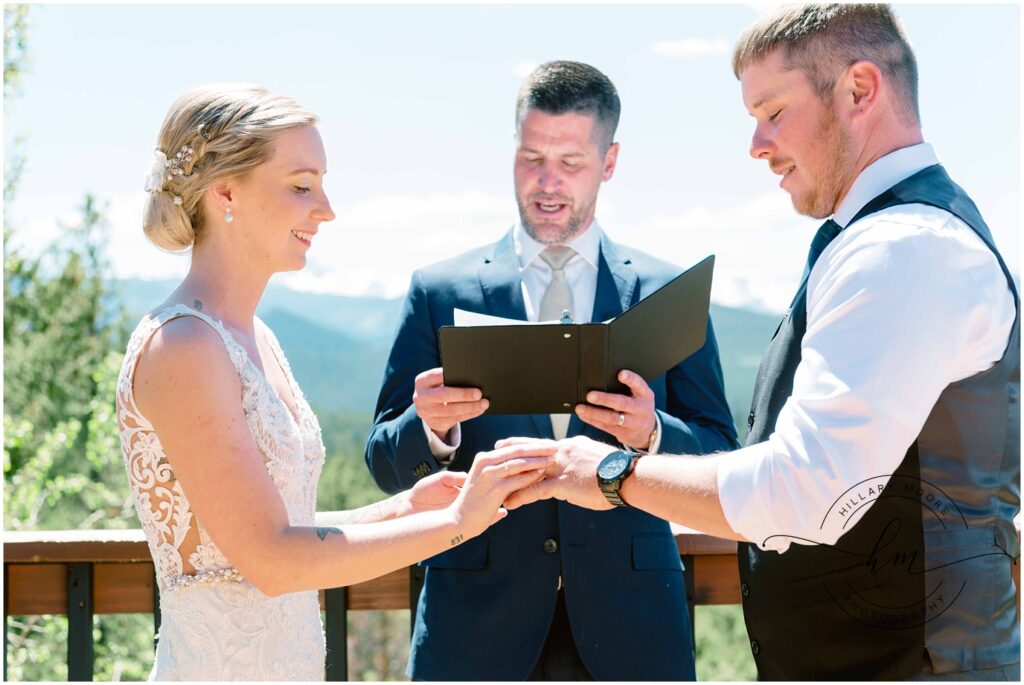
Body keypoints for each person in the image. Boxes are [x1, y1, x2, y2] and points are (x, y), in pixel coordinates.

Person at [498, 4, 1019, 681]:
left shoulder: (906, 248)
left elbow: (808, 489)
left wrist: (608, 473)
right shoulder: (874, 240)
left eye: (773, 112)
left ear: (860, 90)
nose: (756, 144)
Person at [115, 84, 552, 681]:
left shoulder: (254, 338)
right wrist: (454, 525)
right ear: (224, 194)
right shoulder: (185, 347)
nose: (326, 209)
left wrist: (403, 508)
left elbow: (284, 528)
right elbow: (270, 560)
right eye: (301, 185)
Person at [364, 61, 738, 681]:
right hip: (475, 634)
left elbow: (723, 452)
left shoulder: (668, 291)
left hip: (633, 632)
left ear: (609, 162)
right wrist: (429, 430)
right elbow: (383, 462)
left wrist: (652, 435)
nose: (546, 182)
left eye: (570, 163)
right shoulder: (438, 290)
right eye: (530, 157)